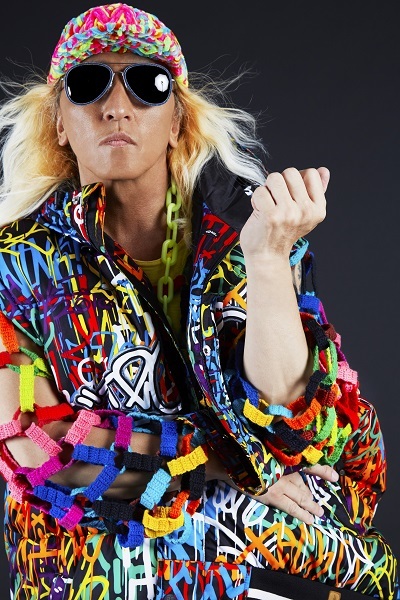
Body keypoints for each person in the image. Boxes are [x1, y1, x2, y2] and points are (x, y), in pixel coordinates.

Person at [0, 3, 397, 599]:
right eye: (87, 84)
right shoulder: (15, 265)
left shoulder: (250, 231)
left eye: (147, 84)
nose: (116, 105)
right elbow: (37, 448)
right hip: (98, 577)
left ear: (178, 121)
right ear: (59, 121)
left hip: (266, 564)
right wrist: (228, 459)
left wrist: (267, 260)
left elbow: (300, 417)